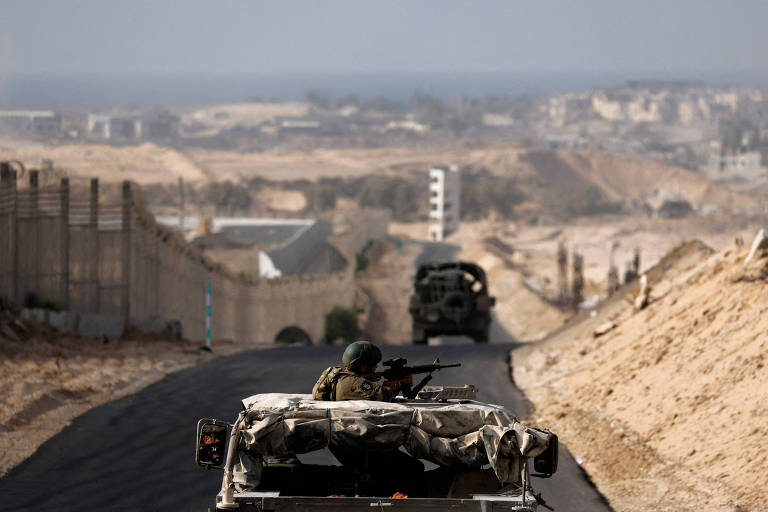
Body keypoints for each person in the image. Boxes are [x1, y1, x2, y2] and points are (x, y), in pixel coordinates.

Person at [312, 341, 424, 497]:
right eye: (373, 365)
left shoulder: (339, 379)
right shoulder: (353, 384)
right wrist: (397, 383)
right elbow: (382, 395)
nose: (376, 368)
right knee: (414, 468)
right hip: (362, 447)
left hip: (349, 442)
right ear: (363, 366)